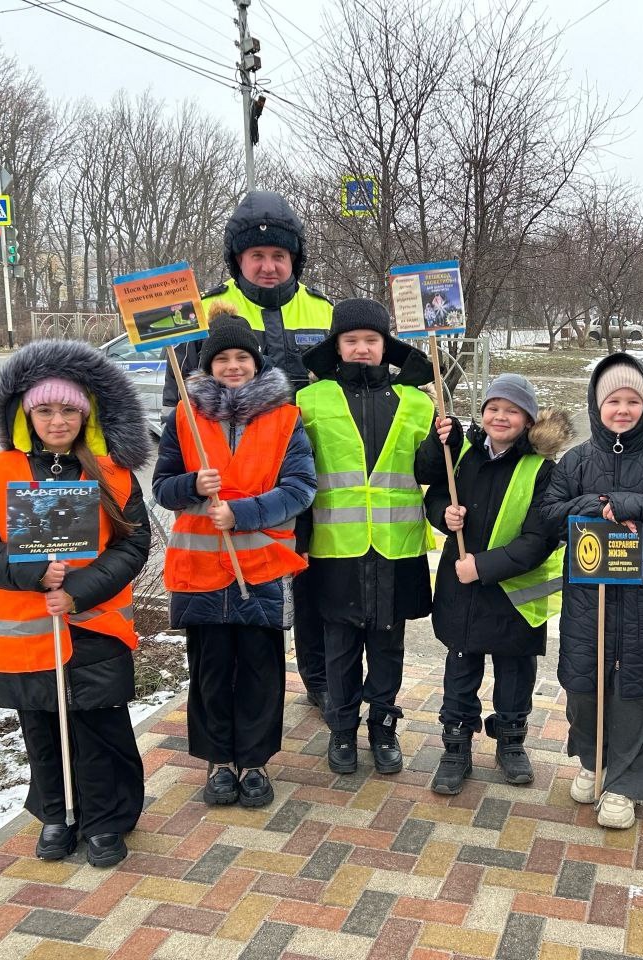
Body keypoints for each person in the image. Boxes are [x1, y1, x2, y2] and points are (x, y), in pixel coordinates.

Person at [0, 340, 152, 868]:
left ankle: (106, 819)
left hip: (95, 625)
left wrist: (80, 590)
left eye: (68, 409)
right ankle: (57, 814)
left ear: (86, 414)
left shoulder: (112, 472)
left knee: (99, 725)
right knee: (41, 726)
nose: (57, 420)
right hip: (24, 629)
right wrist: (33, 573)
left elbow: (132, 544)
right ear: (26, 414)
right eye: (45, 410)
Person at [163, 189, 333, 711]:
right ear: (237, 258)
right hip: (230, 481)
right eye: (256, 256)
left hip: (308, 467)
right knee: (249, 582)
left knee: (308, 573)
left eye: (279, 256)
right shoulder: (205, 311)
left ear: (294, 259)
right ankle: (240, 694)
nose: (268, 266)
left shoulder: (322, 311)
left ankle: (319, 677)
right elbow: (178, 400)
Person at [152, 315, 316, 808]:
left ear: (256, 361)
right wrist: (191, 487)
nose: (232, 366)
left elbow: (301, 489)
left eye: (241, 357)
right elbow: (162, 487)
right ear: (209, 365)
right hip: (201, 570)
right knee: (209, 670)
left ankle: (256, 761)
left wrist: (243, 513)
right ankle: (218, 761)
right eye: (222, 359)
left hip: (261, 570)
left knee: (261, 672)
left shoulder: (285, 419)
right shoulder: (185, 417)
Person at [541, 355, 643, 829]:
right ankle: (593, 761)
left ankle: (627, 784)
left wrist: (633, 504)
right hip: (589, 600)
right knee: (586, 684)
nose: (623, 409)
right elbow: (549, 515)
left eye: (633, 400)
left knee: (639, 689)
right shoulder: (577, 460)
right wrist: (597, 505)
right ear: (597, 404)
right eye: (614, 400)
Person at [295, 298, 439, 776]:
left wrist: (449, 441)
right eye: (351, 340)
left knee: (387, 647)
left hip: (396, 549)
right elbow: (295, 470)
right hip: (335, 549)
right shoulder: (310, 401)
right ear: (337, 346)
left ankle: (382, 725)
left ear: (385, 346)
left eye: (371, 340)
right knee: (338, 648)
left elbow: (432, 472)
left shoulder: (418, 402)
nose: (361, 348)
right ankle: (341, 730)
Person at [420, 374, 571, 794]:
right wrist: (442, 516)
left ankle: (510, 740)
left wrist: (482, 567)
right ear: (482, 413)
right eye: (493, 408)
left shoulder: (542, 469)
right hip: (463, 592)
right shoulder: (464, 453)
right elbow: (433, 492)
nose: (500, 416)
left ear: (527, 419)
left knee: (515, 670)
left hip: (515, 593)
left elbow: (540, 538)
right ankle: (456, 745)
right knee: (461, 667)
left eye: (511, 410)